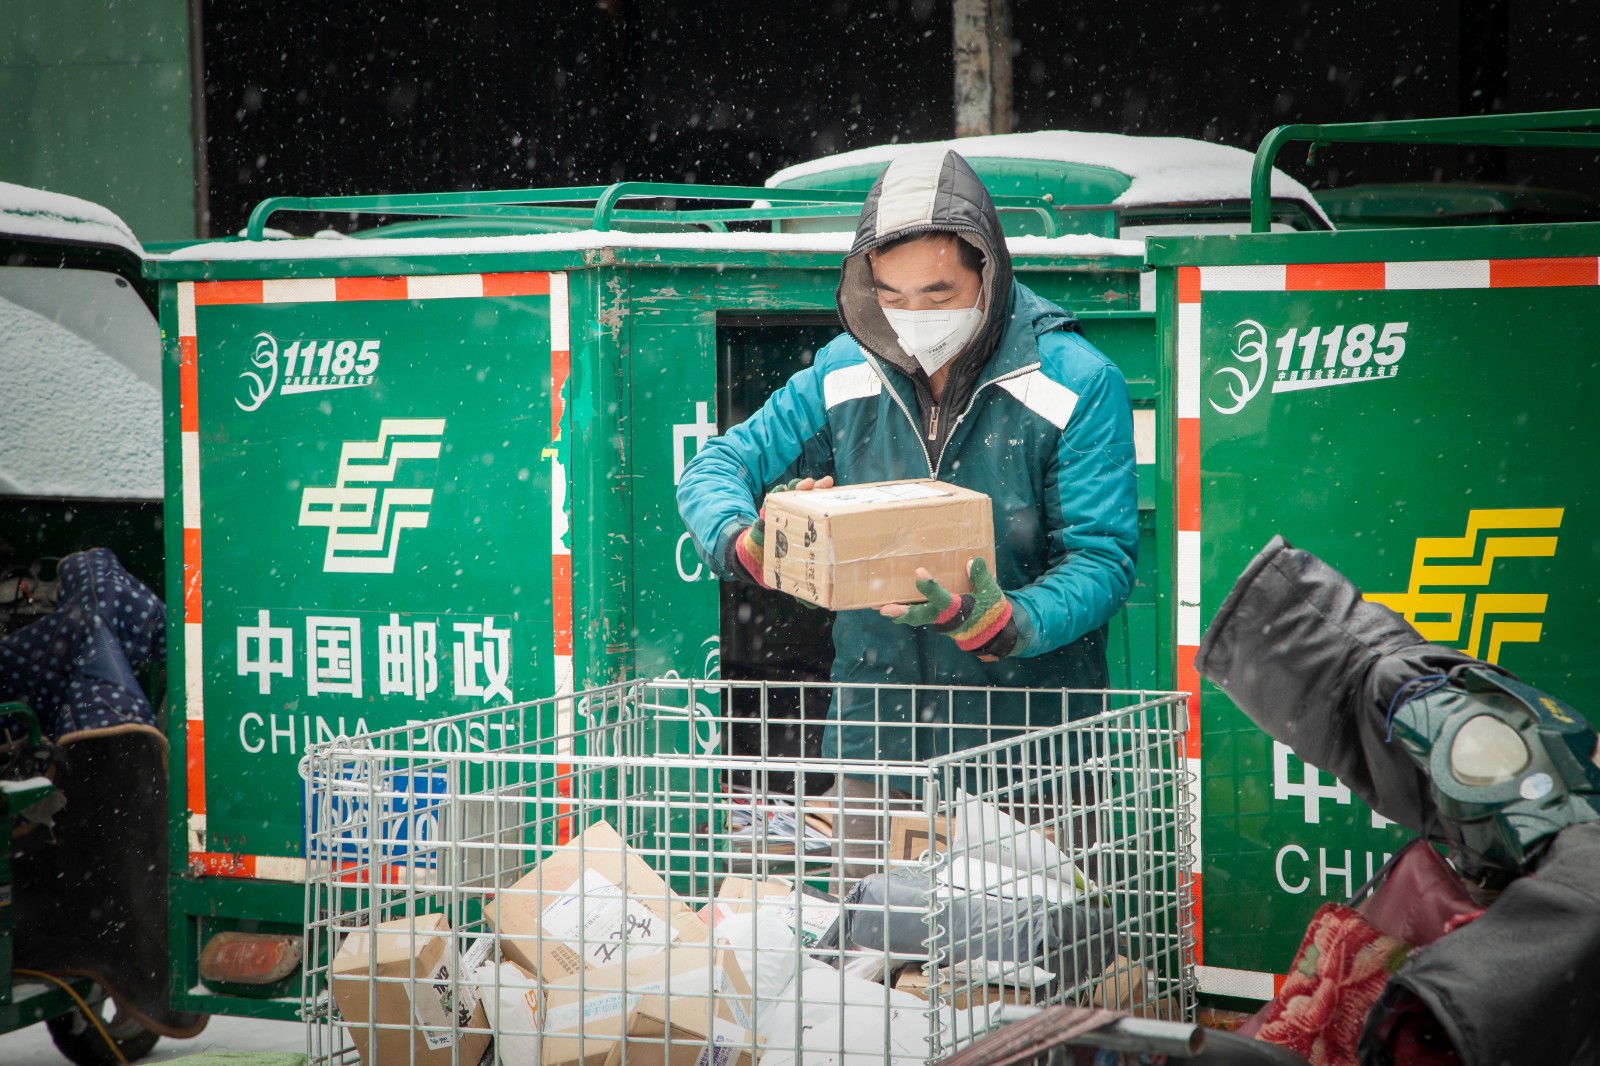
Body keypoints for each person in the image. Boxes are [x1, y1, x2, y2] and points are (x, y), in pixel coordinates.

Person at [677, 146, 1138, 874]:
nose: (914, 317)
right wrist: (746, 543)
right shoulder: (843, 371)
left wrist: (1006, 620)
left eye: (938, 292)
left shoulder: (1076, 382)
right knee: (876, 969)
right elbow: (718, 466)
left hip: (1029, 753)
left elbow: (1104, 560)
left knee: (1027, 966)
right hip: (877, 745)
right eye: (891, 294)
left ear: (989, 270)